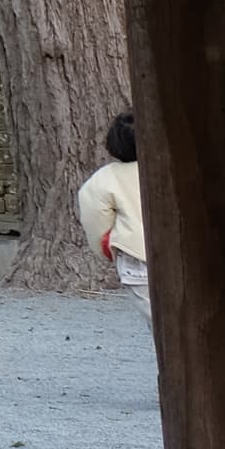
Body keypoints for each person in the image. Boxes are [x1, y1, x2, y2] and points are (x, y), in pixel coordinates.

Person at [78, 113, 149, 315]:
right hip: (184, 254)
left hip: (135, 257)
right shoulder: (174, 167)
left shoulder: (105, 178)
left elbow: (96, 219)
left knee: (159, 322)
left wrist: (107, 248)